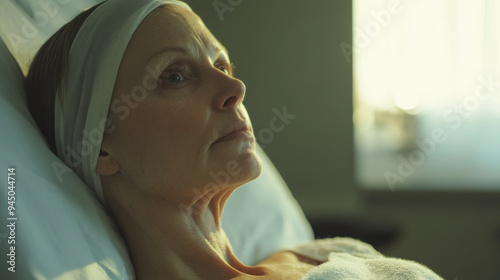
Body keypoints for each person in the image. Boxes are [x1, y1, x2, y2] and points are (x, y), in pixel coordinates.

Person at [25, 0, 444, 279]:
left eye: (221, 63)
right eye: (174, 76)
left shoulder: (325, 253)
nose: (235, 87)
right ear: (100, 145)